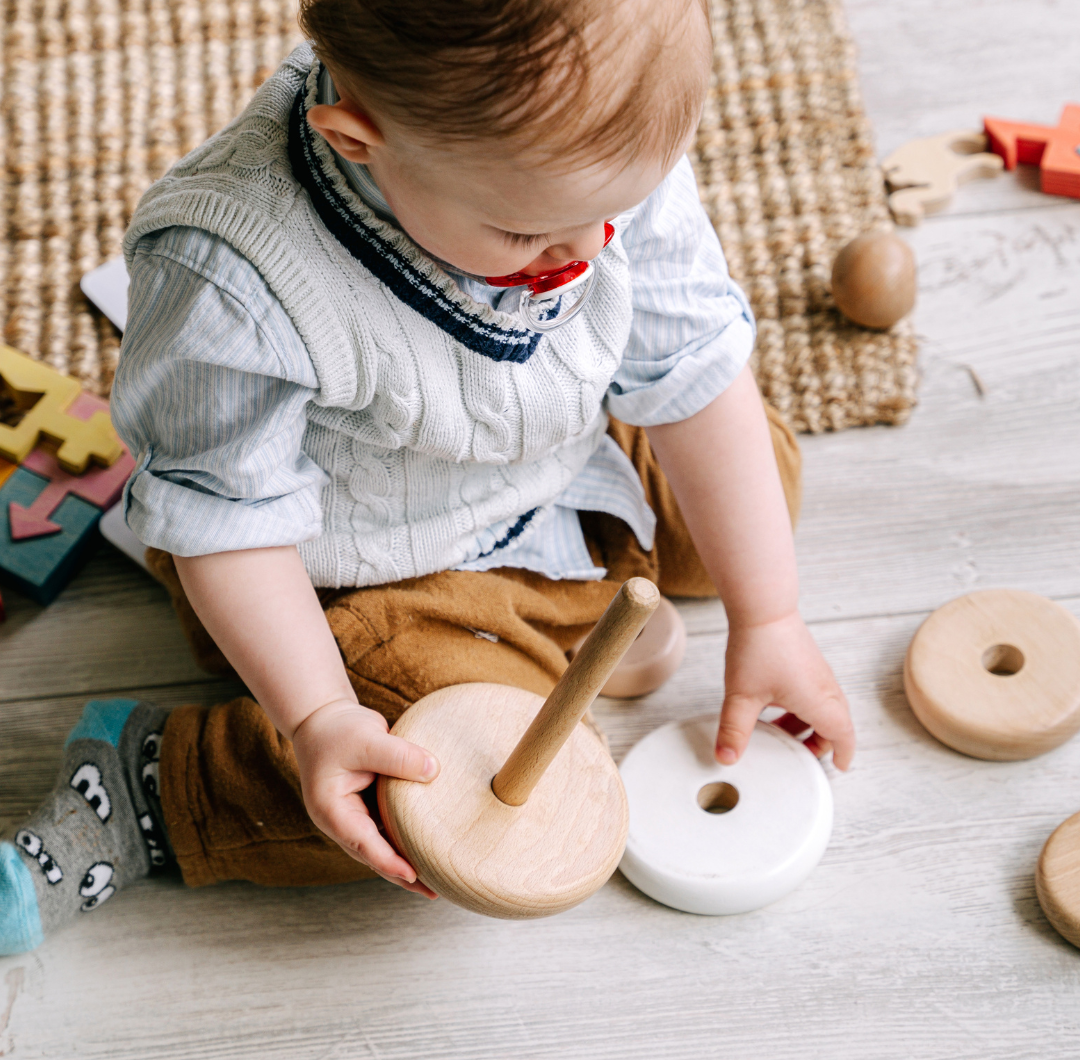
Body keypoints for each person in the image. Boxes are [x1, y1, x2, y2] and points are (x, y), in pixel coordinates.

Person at [0, 0, 854, 955]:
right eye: (528, 237)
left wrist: (769, 615)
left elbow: (690, 359)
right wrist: (318, 716)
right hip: (363, 571)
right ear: (357, 140)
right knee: (430, 792)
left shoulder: (587, 149)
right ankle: (148, 782)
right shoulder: (230, 276)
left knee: (757, 479)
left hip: (555, 454)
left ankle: (584, 580)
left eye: (614, 211)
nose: (586, 253)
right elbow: (230, 525)